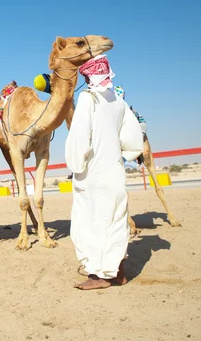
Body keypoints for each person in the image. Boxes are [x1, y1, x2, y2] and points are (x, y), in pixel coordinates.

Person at [65, 55, 144, 290]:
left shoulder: (89, 99)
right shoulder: (119, 103)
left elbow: (79, 135)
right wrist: (124, 156)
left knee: (90, 222)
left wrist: (76, 165)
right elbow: (132, 137)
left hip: (93, 173)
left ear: (88, 76)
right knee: (115, 221)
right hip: (115, 171)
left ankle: (99, 276)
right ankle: (117, 272)